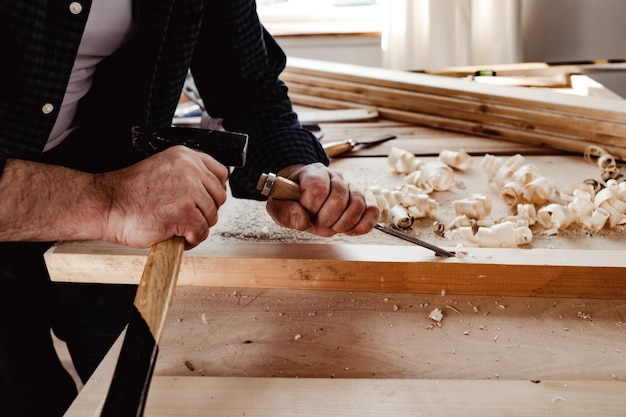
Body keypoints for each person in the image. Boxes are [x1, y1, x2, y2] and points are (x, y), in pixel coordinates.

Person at [0, 1, 380, 415]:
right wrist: (109, 200)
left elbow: (246, 85)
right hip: (65, 199)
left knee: (146, 391)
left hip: (115, 204)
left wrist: (294, 166)